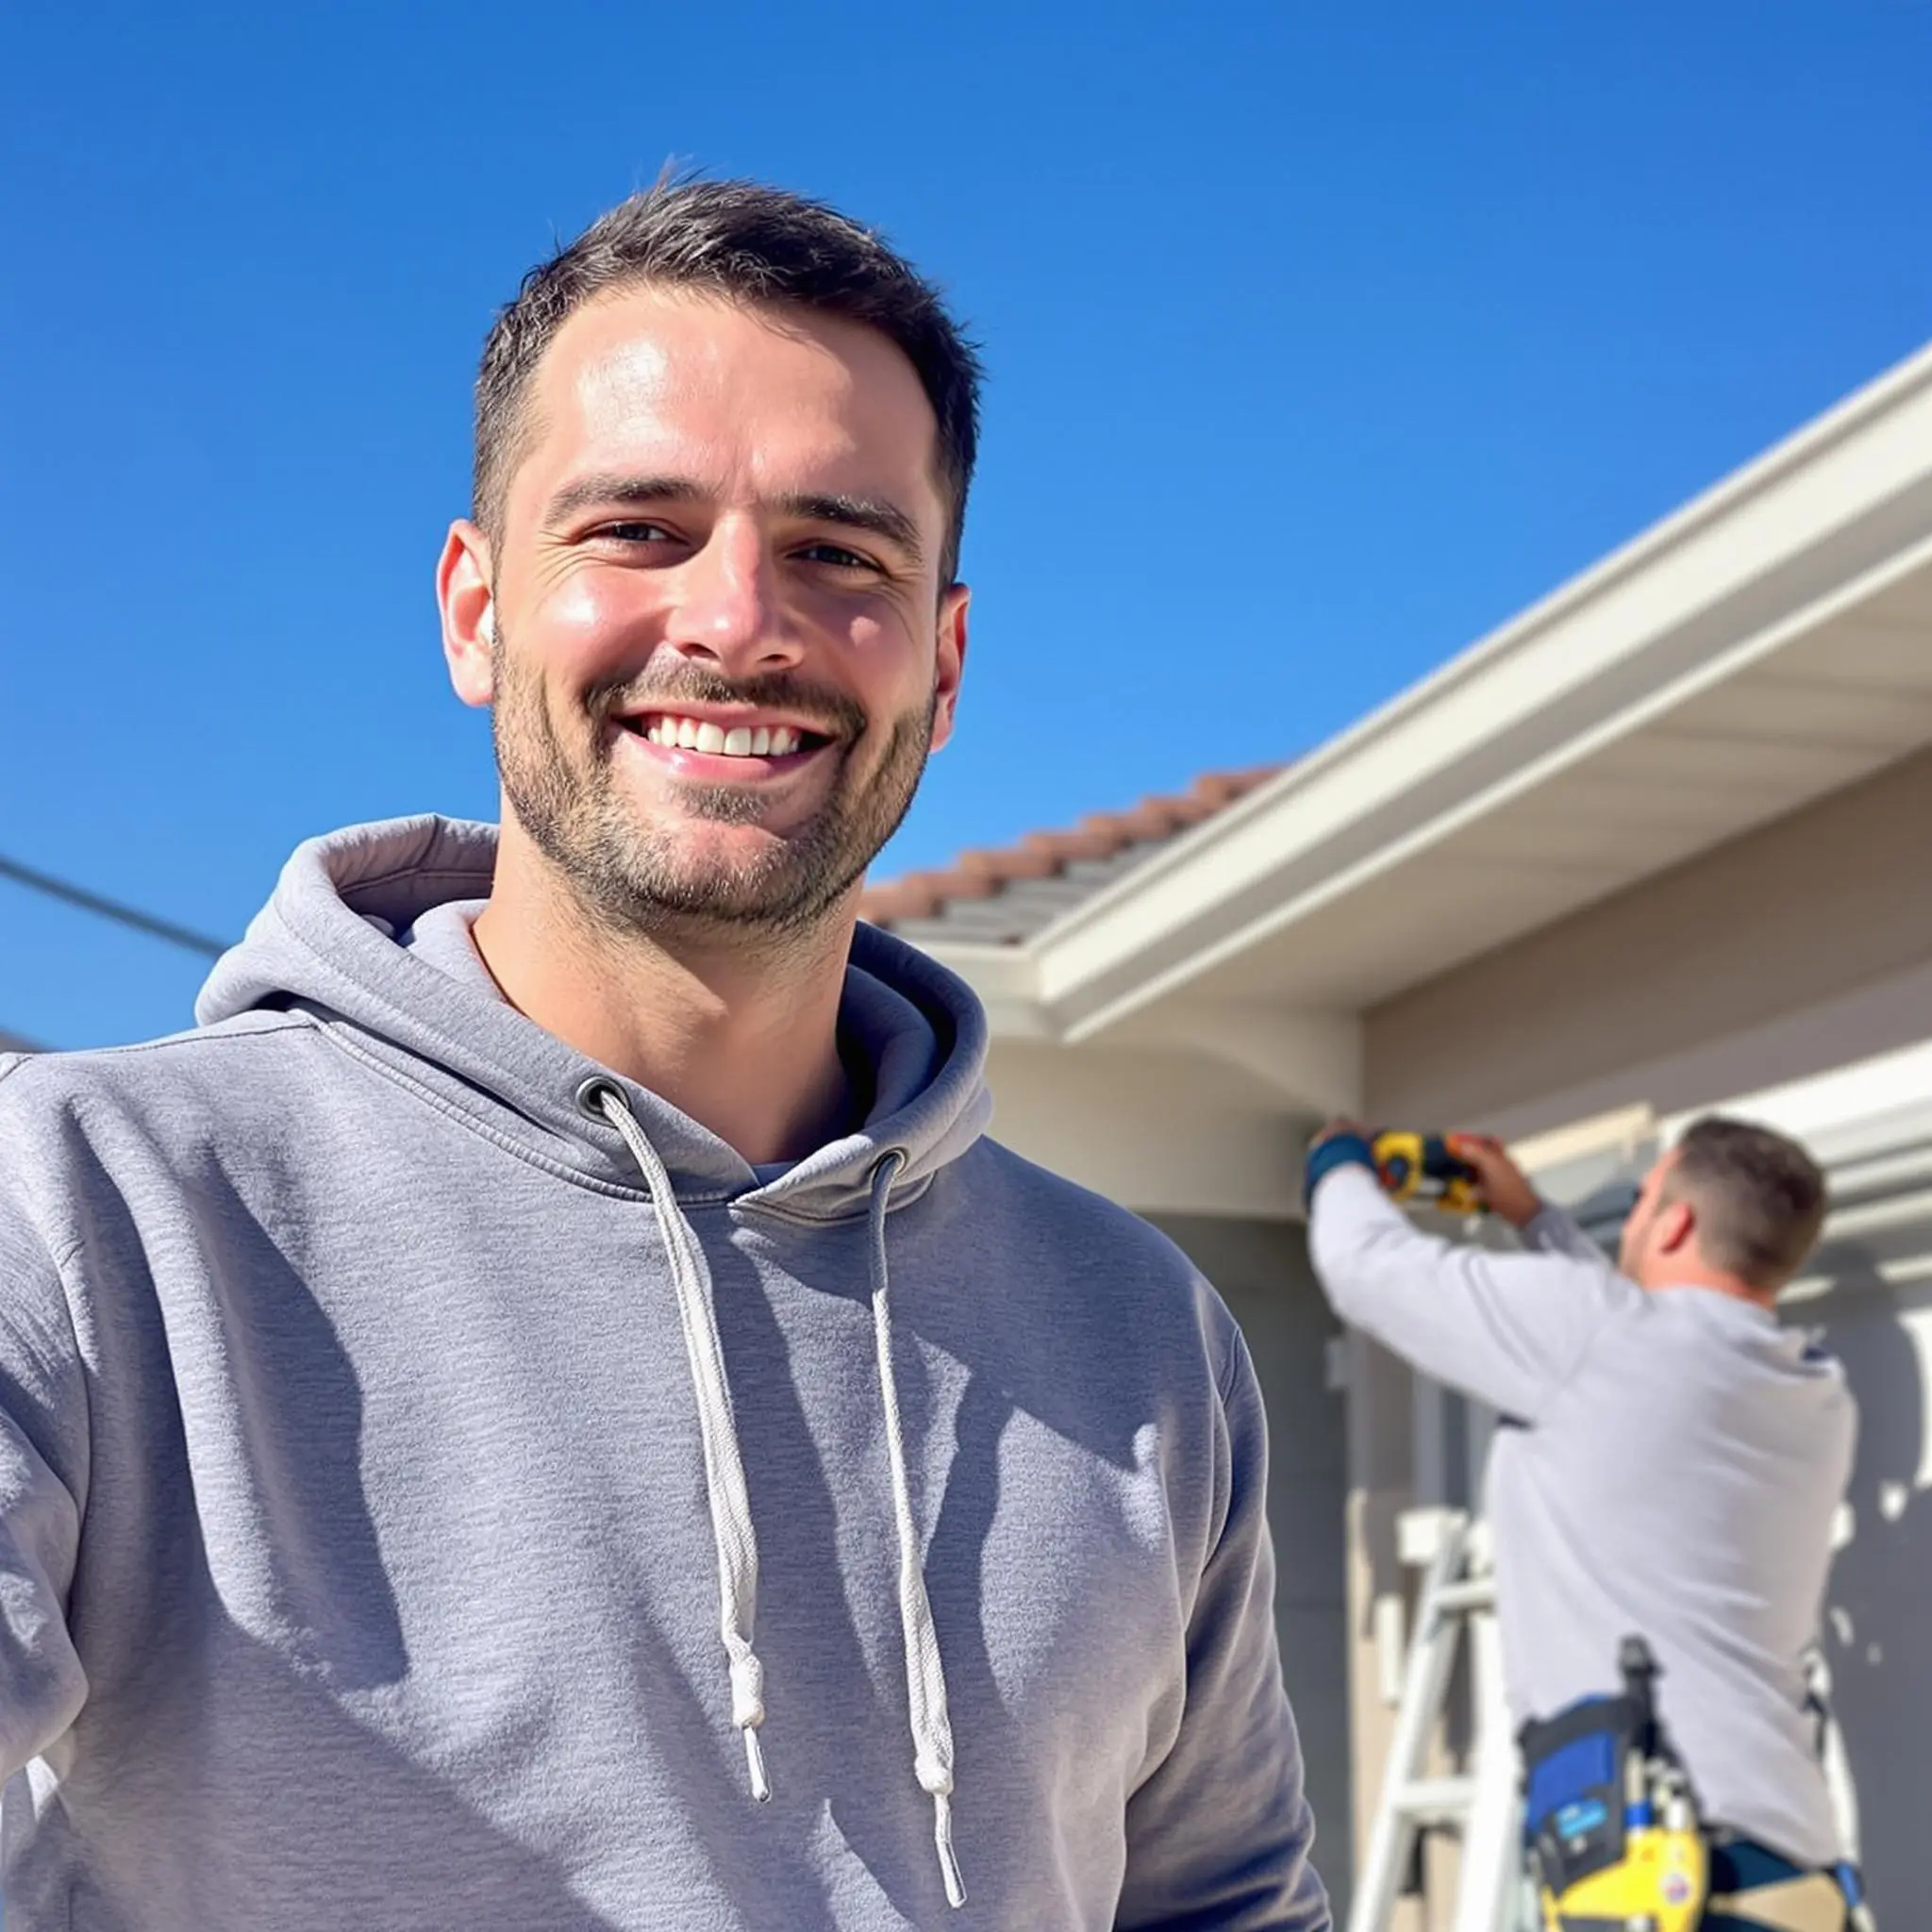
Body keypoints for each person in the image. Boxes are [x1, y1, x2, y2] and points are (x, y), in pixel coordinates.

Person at [0, 180, 1328, 1931]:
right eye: (638, 527)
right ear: (476, 608)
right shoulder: (91, 1215)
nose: (738, 622)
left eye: (840, 552)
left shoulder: (1140, 1332)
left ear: (940, 657)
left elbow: (1221, 1907)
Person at [1304, 1118, 1857, 1929]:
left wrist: (1337, 1160)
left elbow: (1365, 1266)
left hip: (1665, 1875)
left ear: (1674, 1222)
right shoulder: (1813, 1392)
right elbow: (1636, 1348)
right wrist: (1535, 1220)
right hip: (1794, 1872)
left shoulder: (1597, 1340)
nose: (1633, 1220)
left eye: (1643, 1202)